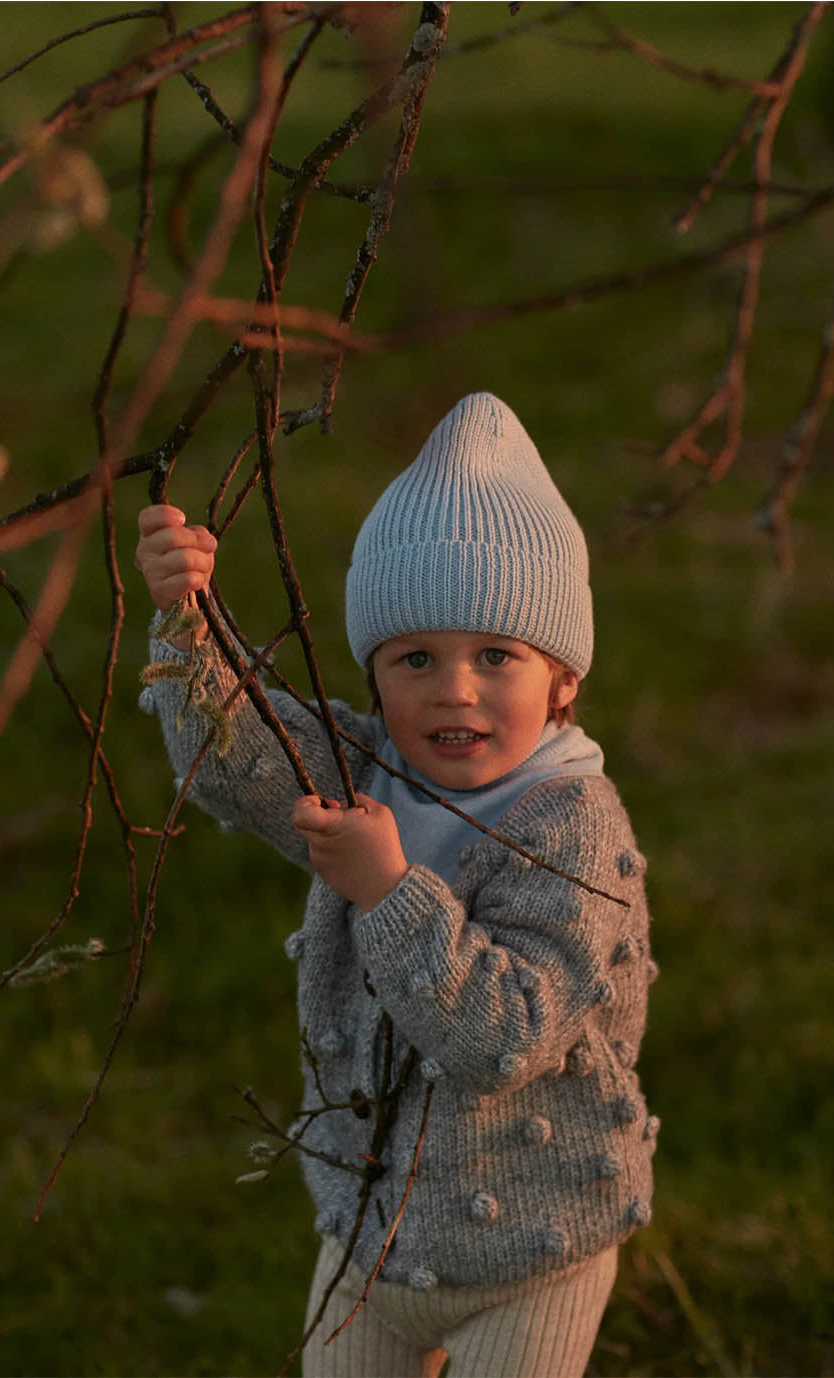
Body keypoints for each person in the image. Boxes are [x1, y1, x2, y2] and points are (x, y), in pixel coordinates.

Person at [134, 392, 657, 1378]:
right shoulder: (375, 765)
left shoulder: (573, 828)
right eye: (415, 657)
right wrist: (187, 623)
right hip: (373, 1226)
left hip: (536, 1240)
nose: (453, 689)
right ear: (375, 676)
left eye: (495, 655)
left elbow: (504, 1034)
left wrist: (389, 892)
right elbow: (242, 759)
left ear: (565, 680)